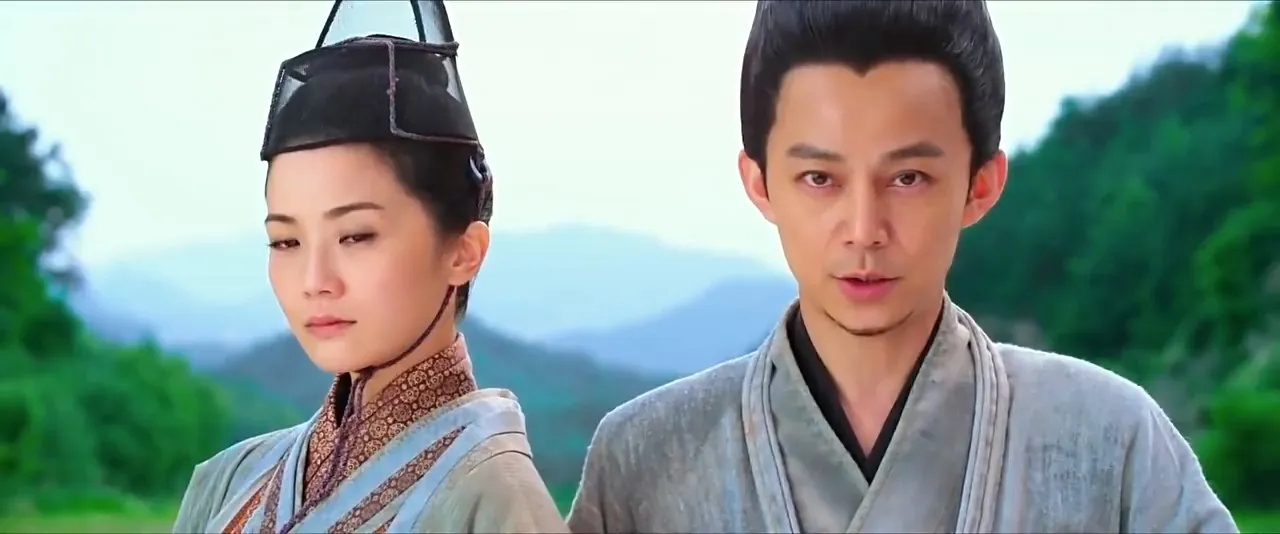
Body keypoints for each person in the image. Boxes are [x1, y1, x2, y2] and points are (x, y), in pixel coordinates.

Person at [567, 1, 1237, 533]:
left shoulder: (1110, 438)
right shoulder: (643, 458)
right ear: (760, 184)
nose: (865, 230)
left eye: (908, 177)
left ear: (980, 185)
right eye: (820, 179)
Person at [172, 1, 568, 532]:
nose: (314, 281)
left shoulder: (499, 501)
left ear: (463, 251)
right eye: (286, 241)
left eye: (356, 236)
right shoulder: (228, 479)